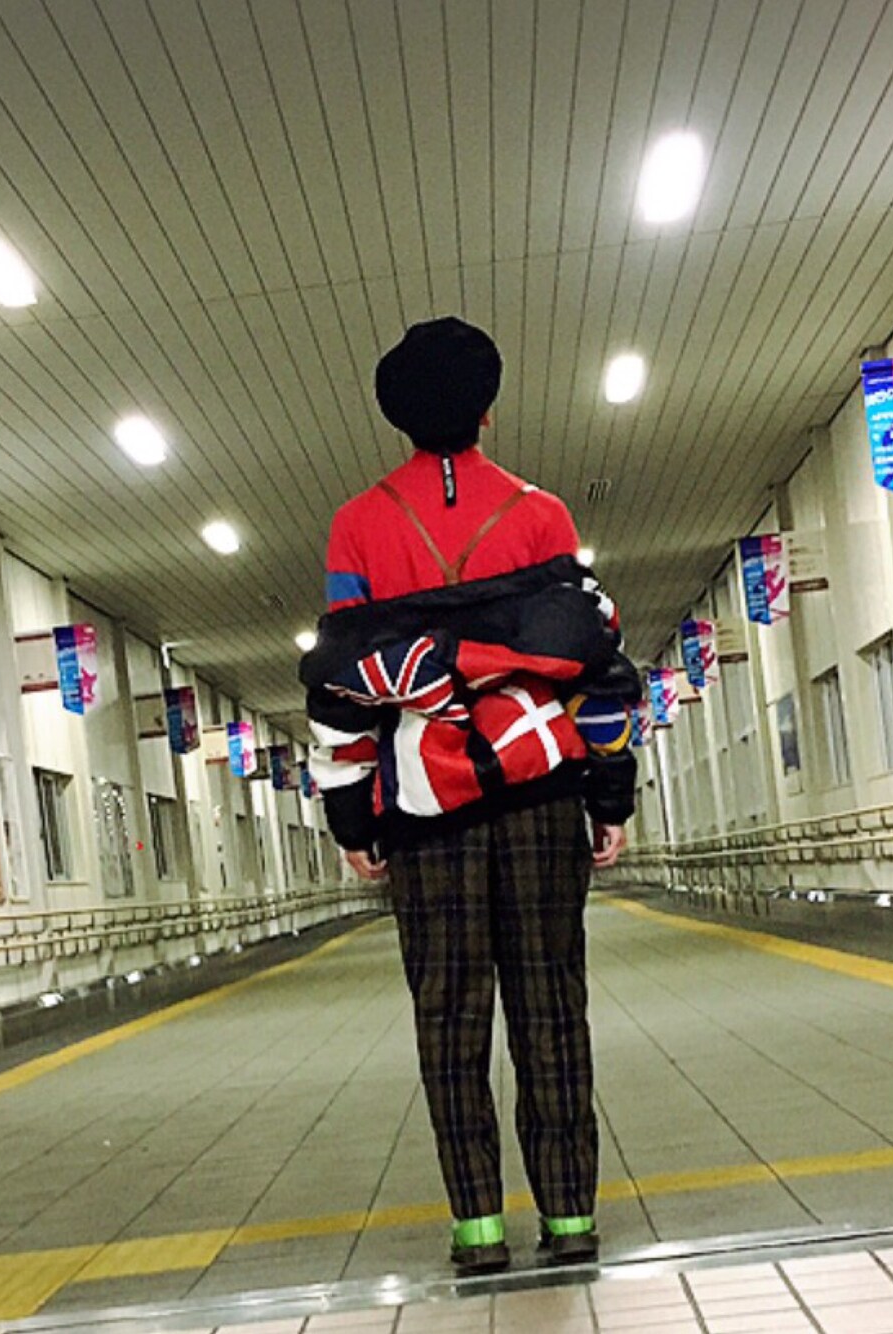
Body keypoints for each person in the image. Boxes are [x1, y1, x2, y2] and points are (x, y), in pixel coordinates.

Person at [302, 317, 638, 1274]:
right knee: (551, 1004)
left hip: (425, 806)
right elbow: (593, 666)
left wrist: (353, 816)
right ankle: (569, 1217)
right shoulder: (543, 514)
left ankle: (478, 1228)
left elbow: (344, 685)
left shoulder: (357, 526)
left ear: (398, 417)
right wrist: (608, 797)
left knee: (448, 1018)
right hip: (539, 794)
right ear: (488, 410)